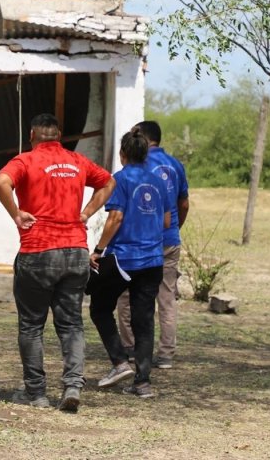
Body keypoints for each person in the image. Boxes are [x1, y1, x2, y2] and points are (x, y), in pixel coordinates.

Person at [0, 113, 114, 411]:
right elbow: (109, 182)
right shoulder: (76, 161)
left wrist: (16, 213)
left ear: (32, 134)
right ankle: (72, 386)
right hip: (75, 251)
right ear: (58, 134)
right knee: (71, 324)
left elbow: (1, 182)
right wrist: (86, 213)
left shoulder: (25, 160)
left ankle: (36, 394)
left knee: (32, 326)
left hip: (38, 252)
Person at [88, 127, 170, 399]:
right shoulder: (157, 182)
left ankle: (120, 362)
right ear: (146, 154)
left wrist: (99, 249)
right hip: (153, 261)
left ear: (122, 154)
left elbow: (115, 218)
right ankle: (142, 382)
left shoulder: (119, 180)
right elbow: (167, 221)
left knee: (100, 308)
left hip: (124, 259)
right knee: (143, 319)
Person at [116, 120, 189, 369]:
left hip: (140, 244)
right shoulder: (176, 164)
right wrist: (173, 230)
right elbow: (183, 204)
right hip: (169, 240)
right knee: (166, 298)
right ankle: (166, 354)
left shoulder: (139, 165)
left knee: (126, 297)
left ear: (143, 140)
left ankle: (131, 348)